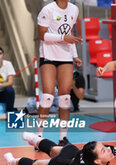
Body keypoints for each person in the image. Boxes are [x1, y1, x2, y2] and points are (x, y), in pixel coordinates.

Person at [37, 0, 83, 145]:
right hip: (48, 56)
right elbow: (42, 35)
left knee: (65, 98)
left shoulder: (74, 9)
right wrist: (63, 38)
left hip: (65, 56)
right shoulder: (47, 10)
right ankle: (38, 138)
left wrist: (74, 55)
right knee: (48, 96)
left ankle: (63, 138)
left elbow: (70, 33)